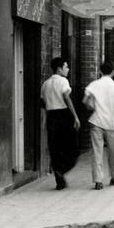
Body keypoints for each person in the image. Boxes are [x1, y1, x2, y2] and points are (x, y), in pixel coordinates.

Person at [40, 57, 81, 190]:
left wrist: (44, 122)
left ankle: (59, 178)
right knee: (71, 147)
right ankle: (62, 170)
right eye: (66, 66)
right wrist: (75, 116)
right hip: (63, 115)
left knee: (55, 148)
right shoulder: (63, 81)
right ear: (59, 68)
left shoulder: (45, 84)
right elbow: (67, 98)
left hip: (51, 117)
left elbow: (43, 105)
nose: (68, 69)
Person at [82, 60, 114, 190]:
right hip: (111, 122)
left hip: (96, 121)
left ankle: (98, 180)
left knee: (97, 151)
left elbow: (85, 101)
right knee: (113, 151)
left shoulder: (94, 84)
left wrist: (92, 104)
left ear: (100, 71)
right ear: (113, 72)